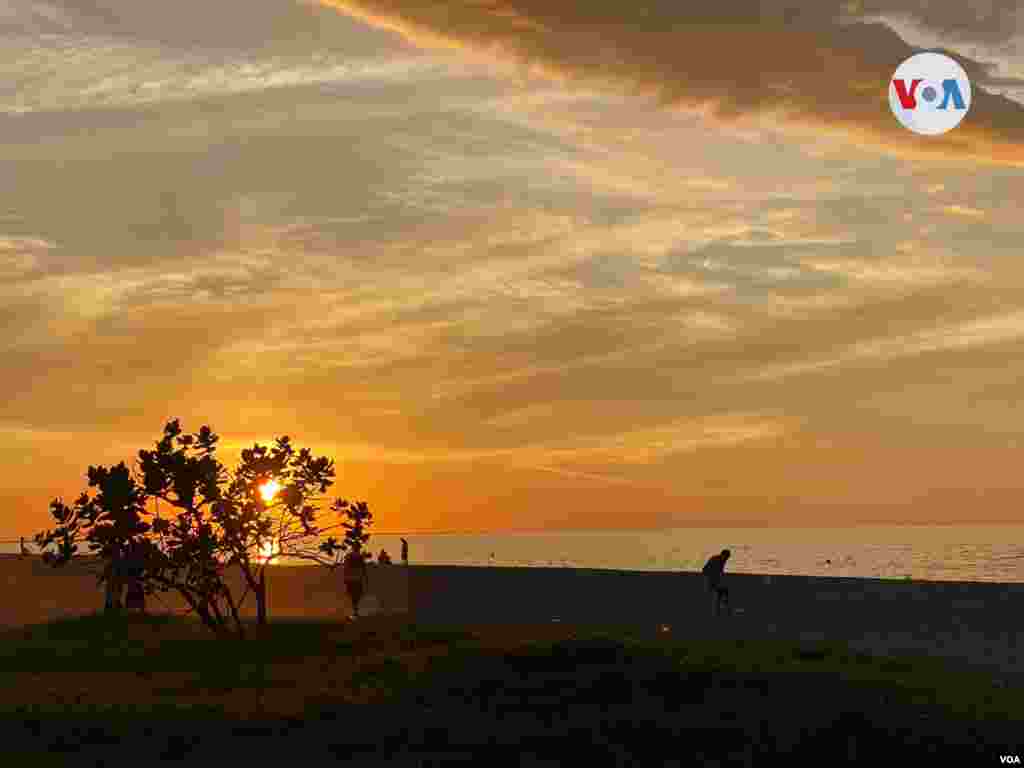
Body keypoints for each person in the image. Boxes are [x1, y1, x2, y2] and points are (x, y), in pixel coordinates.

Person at [701, 549, 731, 617]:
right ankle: (719, 608)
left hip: (713, 578)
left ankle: (720, 608)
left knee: (721, 592)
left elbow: (720, 571)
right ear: (723, 555)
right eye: (727, 557)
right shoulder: (717, 559)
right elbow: (708, 569)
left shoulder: (720, 559)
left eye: (728, 558)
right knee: (720, 592)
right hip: (711, 578)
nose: (727, 559)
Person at [343, 547, 369, 619]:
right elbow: (363, 568)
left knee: (354, 596)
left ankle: (355, 612)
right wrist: (365, 577)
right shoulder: (358, 557)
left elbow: (346, 567)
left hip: (352, 579)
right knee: (356, 596)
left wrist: (345, 578)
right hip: (356, 579)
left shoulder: (350, 556)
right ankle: (355, 612)